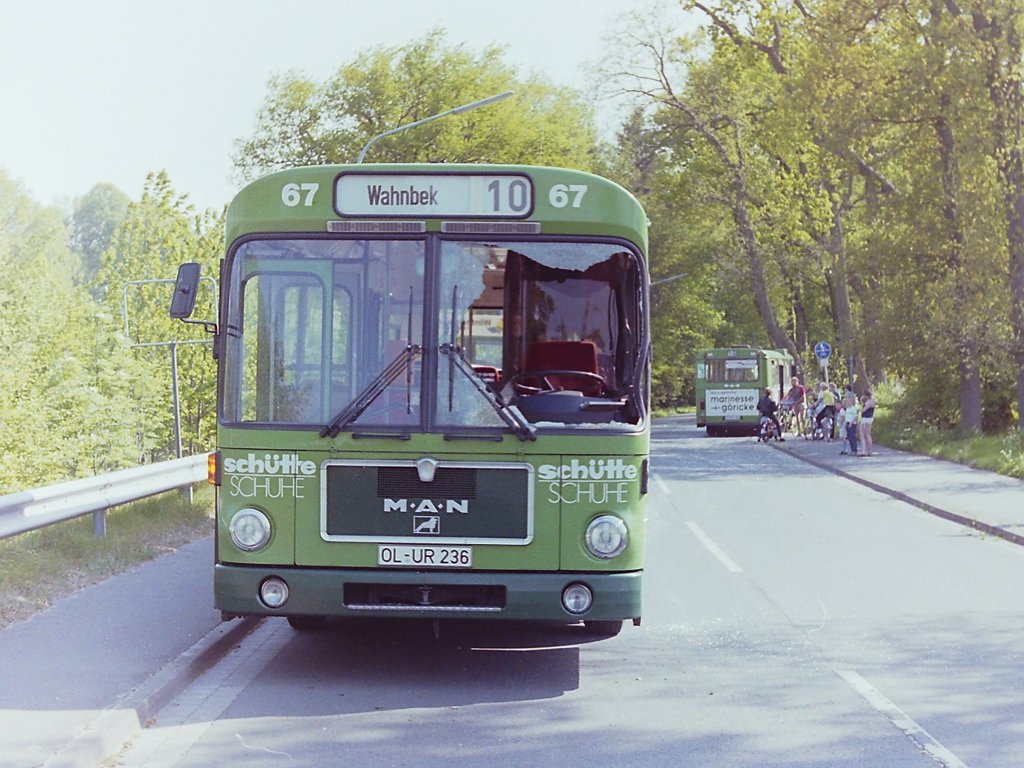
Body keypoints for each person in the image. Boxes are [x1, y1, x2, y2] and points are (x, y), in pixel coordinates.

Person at [859, 389, 876, 456]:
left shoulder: (869, 401)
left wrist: (860, 409)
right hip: (870, 418)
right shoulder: (872, 401)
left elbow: (863, 410)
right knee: (868, 434)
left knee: (863, 435)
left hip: (866, 418)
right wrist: (861, 401)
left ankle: (864, 451)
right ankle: (869, 451)